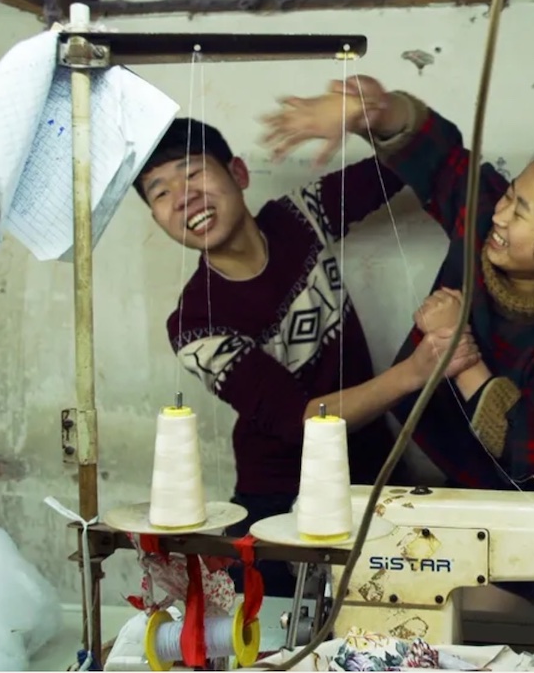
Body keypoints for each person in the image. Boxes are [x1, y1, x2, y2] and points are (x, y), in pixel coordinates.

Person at [261, 75, 534, 498]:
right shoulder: (482, 215)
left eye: (521, 213)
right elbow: (439, 159)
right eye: (510, 195)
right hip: (456, 480)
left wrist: (456, 348)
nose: (500, 216)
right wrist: (377, 110)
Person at [134, 117, 462, 596]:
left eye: (194, 173)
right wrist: (413, 373)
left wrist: (370, 110)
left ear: (239, 174)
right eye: (160, 192)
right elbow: (303, 420)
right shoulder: (193, 324)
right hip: (277, 506)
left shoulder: (297, 217)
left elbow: (428, 151)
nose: (183, 197)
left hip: (373, 479)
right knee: (278, 645)